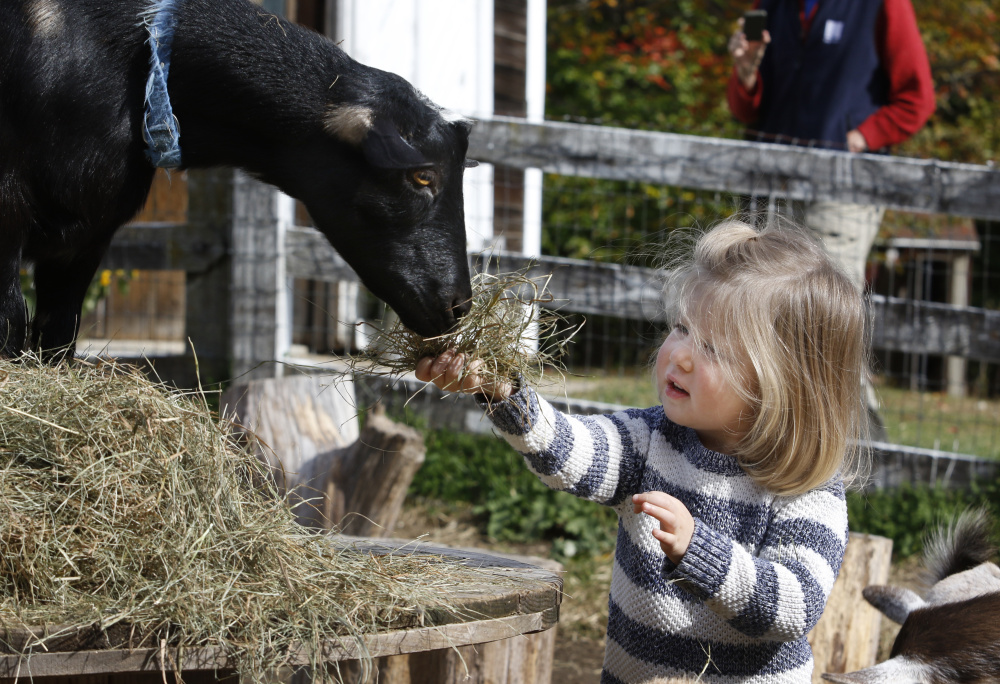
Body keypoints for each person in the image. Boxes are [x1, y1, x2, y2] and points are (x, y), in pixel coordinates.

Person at [415, 220, 871, 683]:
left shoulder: (806, 487)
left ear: (782, 384)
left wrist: (701, 551)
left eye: (713, 348)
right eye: (682, 328)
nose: (681, 355)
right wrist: (502, 389)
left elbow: (795, 607)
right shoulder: (651, 439)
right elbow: (570, 448)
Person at [726, 0, 936, 288]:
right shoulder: (772, 6)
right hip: (769, 186)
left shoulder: (882, 5)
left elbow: (917, 100)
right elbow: (745, 111)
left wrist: (861, 137)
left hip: (839, 190)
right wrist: (746, 72)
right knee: (753, 301)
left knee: (824, 307)